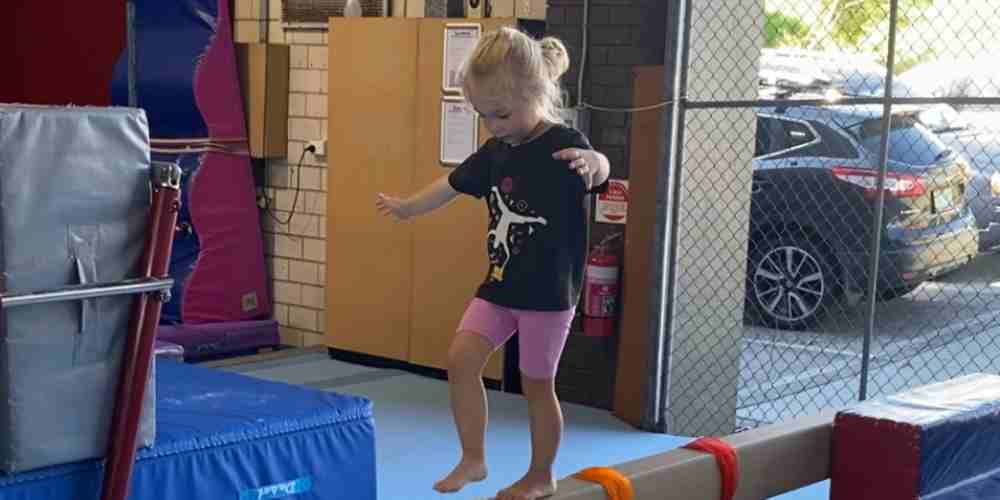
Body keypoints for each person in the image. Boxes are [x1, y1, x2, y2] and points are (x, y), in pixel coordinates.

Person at [375, 27, 611, 500]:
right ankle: (474, 459)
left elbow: (602, 170)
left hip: (548, 293)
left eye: (501, 114)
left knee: (537, 385)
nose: (494, 125)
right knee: (461, 360)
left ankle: (541, 475)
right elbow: (450, 184)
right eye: (483, 116)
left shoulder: (563, 143)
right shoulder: (496, 151)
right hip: (501, 284)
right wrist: (409, 207)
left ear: (536, 92)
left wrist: (594, 162)